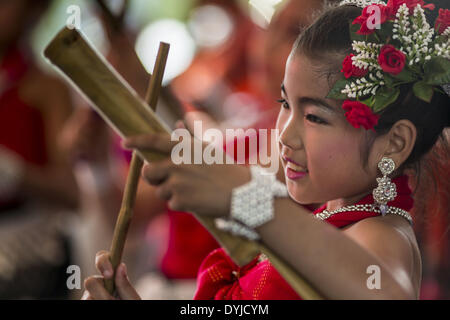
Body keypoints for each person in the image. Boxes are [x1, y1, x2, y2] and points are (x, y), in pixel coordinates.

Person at [82, 0, 450, 300]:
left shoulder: (381, 235)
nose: (285, 136)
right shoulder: (327, 220)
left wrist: (248, 197)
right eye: (284, 103)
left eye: (316, 117)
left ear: (395, 143)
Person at [0, 0, 79, 298]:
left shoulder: (47, 89)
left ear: (32, 11)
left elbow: (72, 193)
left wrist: (15, 174)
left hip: (31, 263)